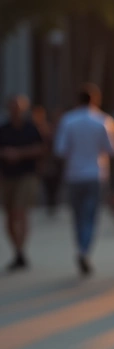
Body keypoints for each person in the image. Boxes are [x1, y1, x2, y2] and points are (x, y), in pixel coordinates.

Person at [54, 85, 114, 275]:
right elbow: (113, 149)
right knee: (90, 216)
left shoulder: (68, 120)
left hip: (74, 174)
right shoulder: (103, 121)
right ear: (95, 100)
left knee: (78, 216)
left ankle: (80, 247)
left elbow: (60, 150)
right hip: (95, 174)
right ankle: (85, 249)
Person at [1, 96, 45, 271]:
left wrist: (19, 154)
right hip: (7, 176)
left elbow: (42, 148)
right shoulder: (3, 129)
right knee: (10, 216)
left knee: (20, 212)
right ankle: (17, 250)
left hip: (26, 175)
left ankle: (21, 249)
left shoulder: (31, 128)